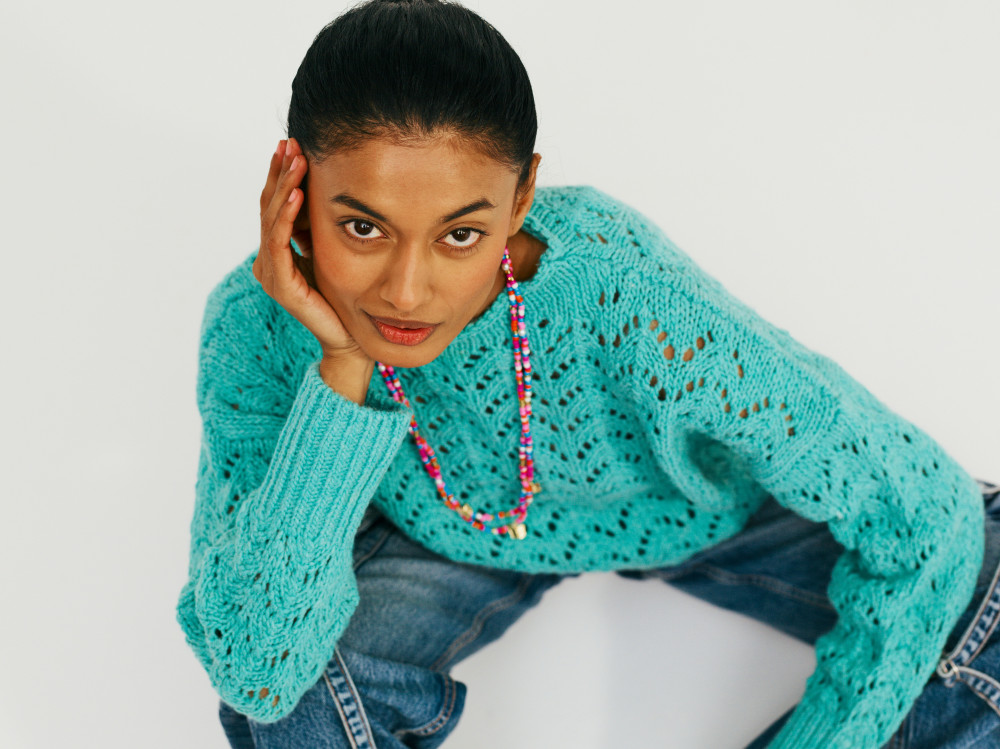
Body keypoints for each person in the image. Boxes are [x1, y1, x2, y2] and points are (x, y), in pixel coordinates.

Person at [174, 1, 1000, 747]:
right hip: (445, 529)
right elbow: (259, 672)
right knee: (290, 698)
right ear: (292, 187)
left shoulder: (622, 293)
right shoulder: (254, 324)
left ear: (522, 196)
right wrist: (344, 365)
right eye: (363, 227)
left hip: (700, 506)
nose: (407, 291)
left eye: (460, 235)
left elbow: (925, 512)